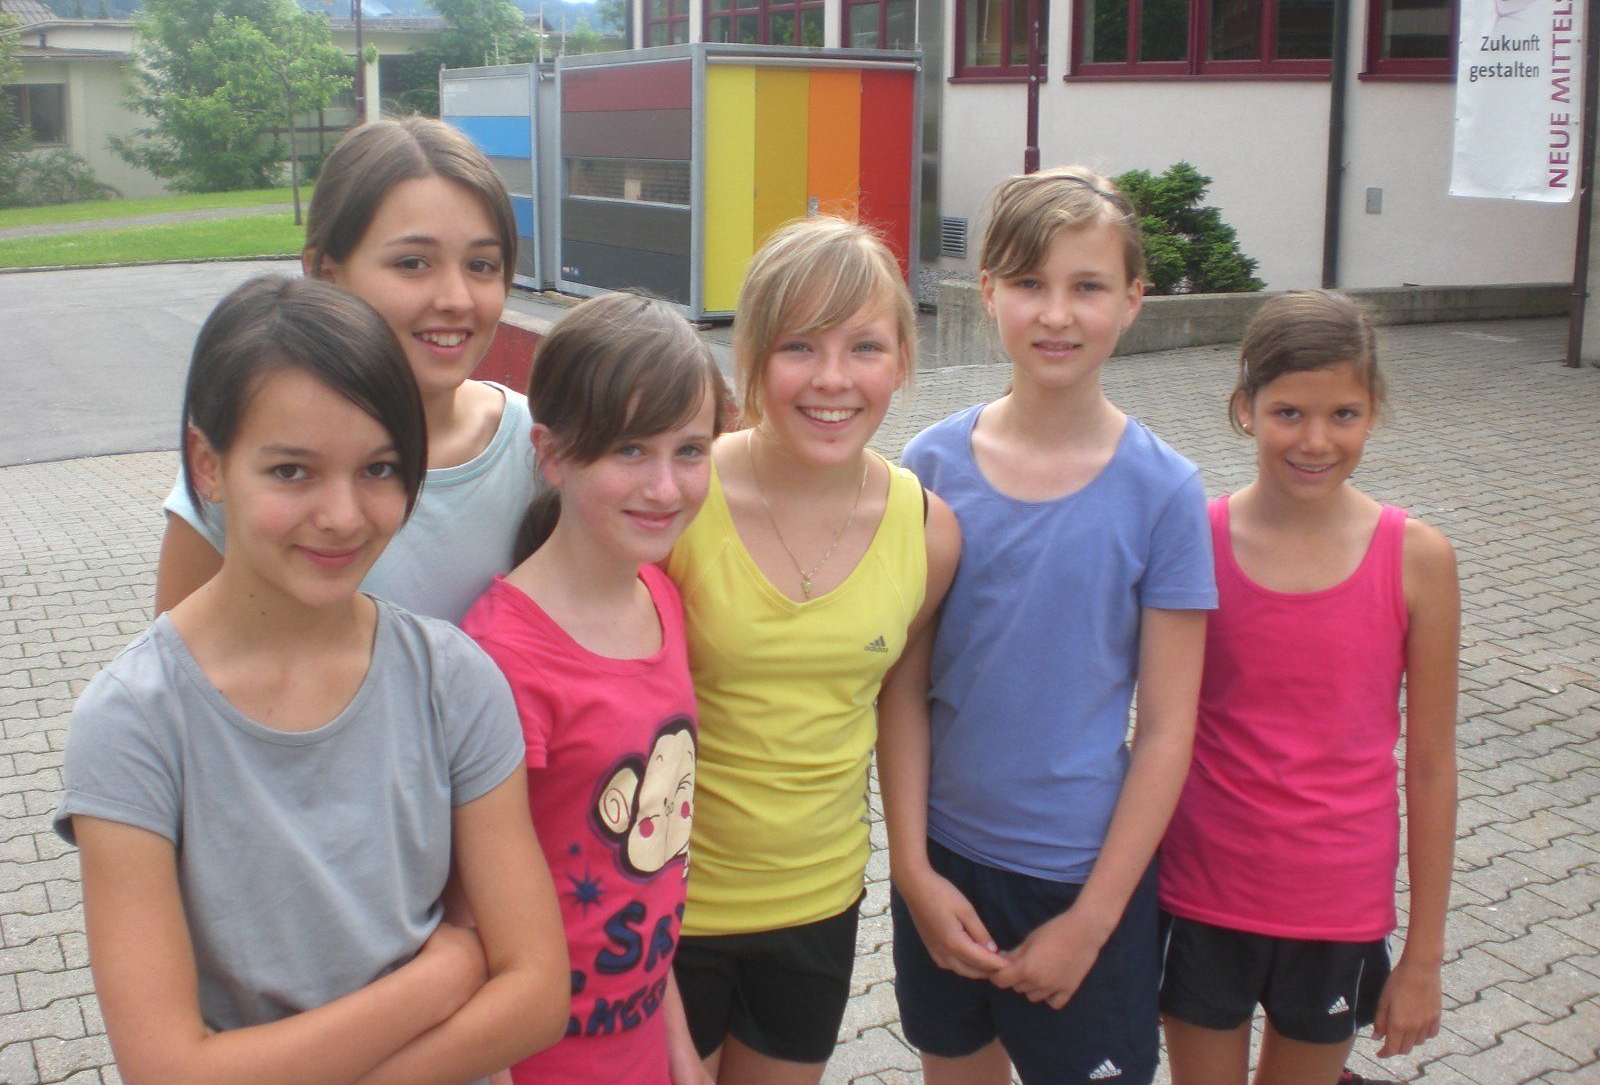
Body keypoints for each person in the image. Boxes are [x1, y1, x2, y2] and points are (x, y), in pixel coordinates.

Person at [55, 275, 570, 1085]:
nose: (342, 515)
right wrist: (438, 978)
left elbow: (537, 995)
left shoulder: (452, 681)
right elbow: (168, 1068)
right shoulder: (135, 724)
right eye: (292, 471)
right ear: (208, 465)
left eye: (379, 469)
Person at [879, 167, 1217, 1085]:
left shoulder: (1165, 492)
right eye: (1030, 283)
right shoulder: (929, 466)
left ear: (1134, 299)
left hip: (1082, 877)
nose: (1056, 314)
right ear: (988, 291)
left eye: (1088, 286)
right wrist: (912, 871)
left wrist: (1092, 923)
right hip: (945, 864)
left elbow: (1168, 729)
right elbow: (903, 687)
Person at [666, 216, 961, 1085]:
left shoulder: (926, 529)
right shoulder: (678, 498)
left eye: (864, 346)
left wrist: (912, 867)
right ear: (751, 357)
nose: (833, 379)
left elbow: (900, 699)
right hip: (668, 909)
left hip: (819, 907)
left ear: (902, 360)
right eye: (799, 345)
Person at [1156, 291, 1459, 1085]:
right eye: (1288, 412)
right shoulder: (1193, 540)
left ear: (1373, 412)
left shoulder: (1417, 559)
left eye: (1343, 415)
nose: (1316, 441)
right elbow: (1155, 724)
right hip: (1202, 890)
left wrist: (1423, 957)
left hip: (1338, 906)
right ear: (1245, 408)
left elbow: (1431, 767)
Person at [460, 293, 729, 1085]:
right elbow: (468, 919)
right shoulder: (503, 659)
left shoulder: (662, 598)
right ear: (551, 455)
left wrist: (678, 1047)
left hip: (640, 1041)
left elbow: (643, 874)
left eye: (690, 450)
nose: (665, 487)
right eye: (629, 449)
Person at [155, 117, 533, 623]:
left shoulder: (540, 450)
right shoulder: (256, 463)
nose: (456, 299)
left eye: (481, 265)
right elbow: (178, 659)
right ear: (326, 273)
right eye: (413, 263)